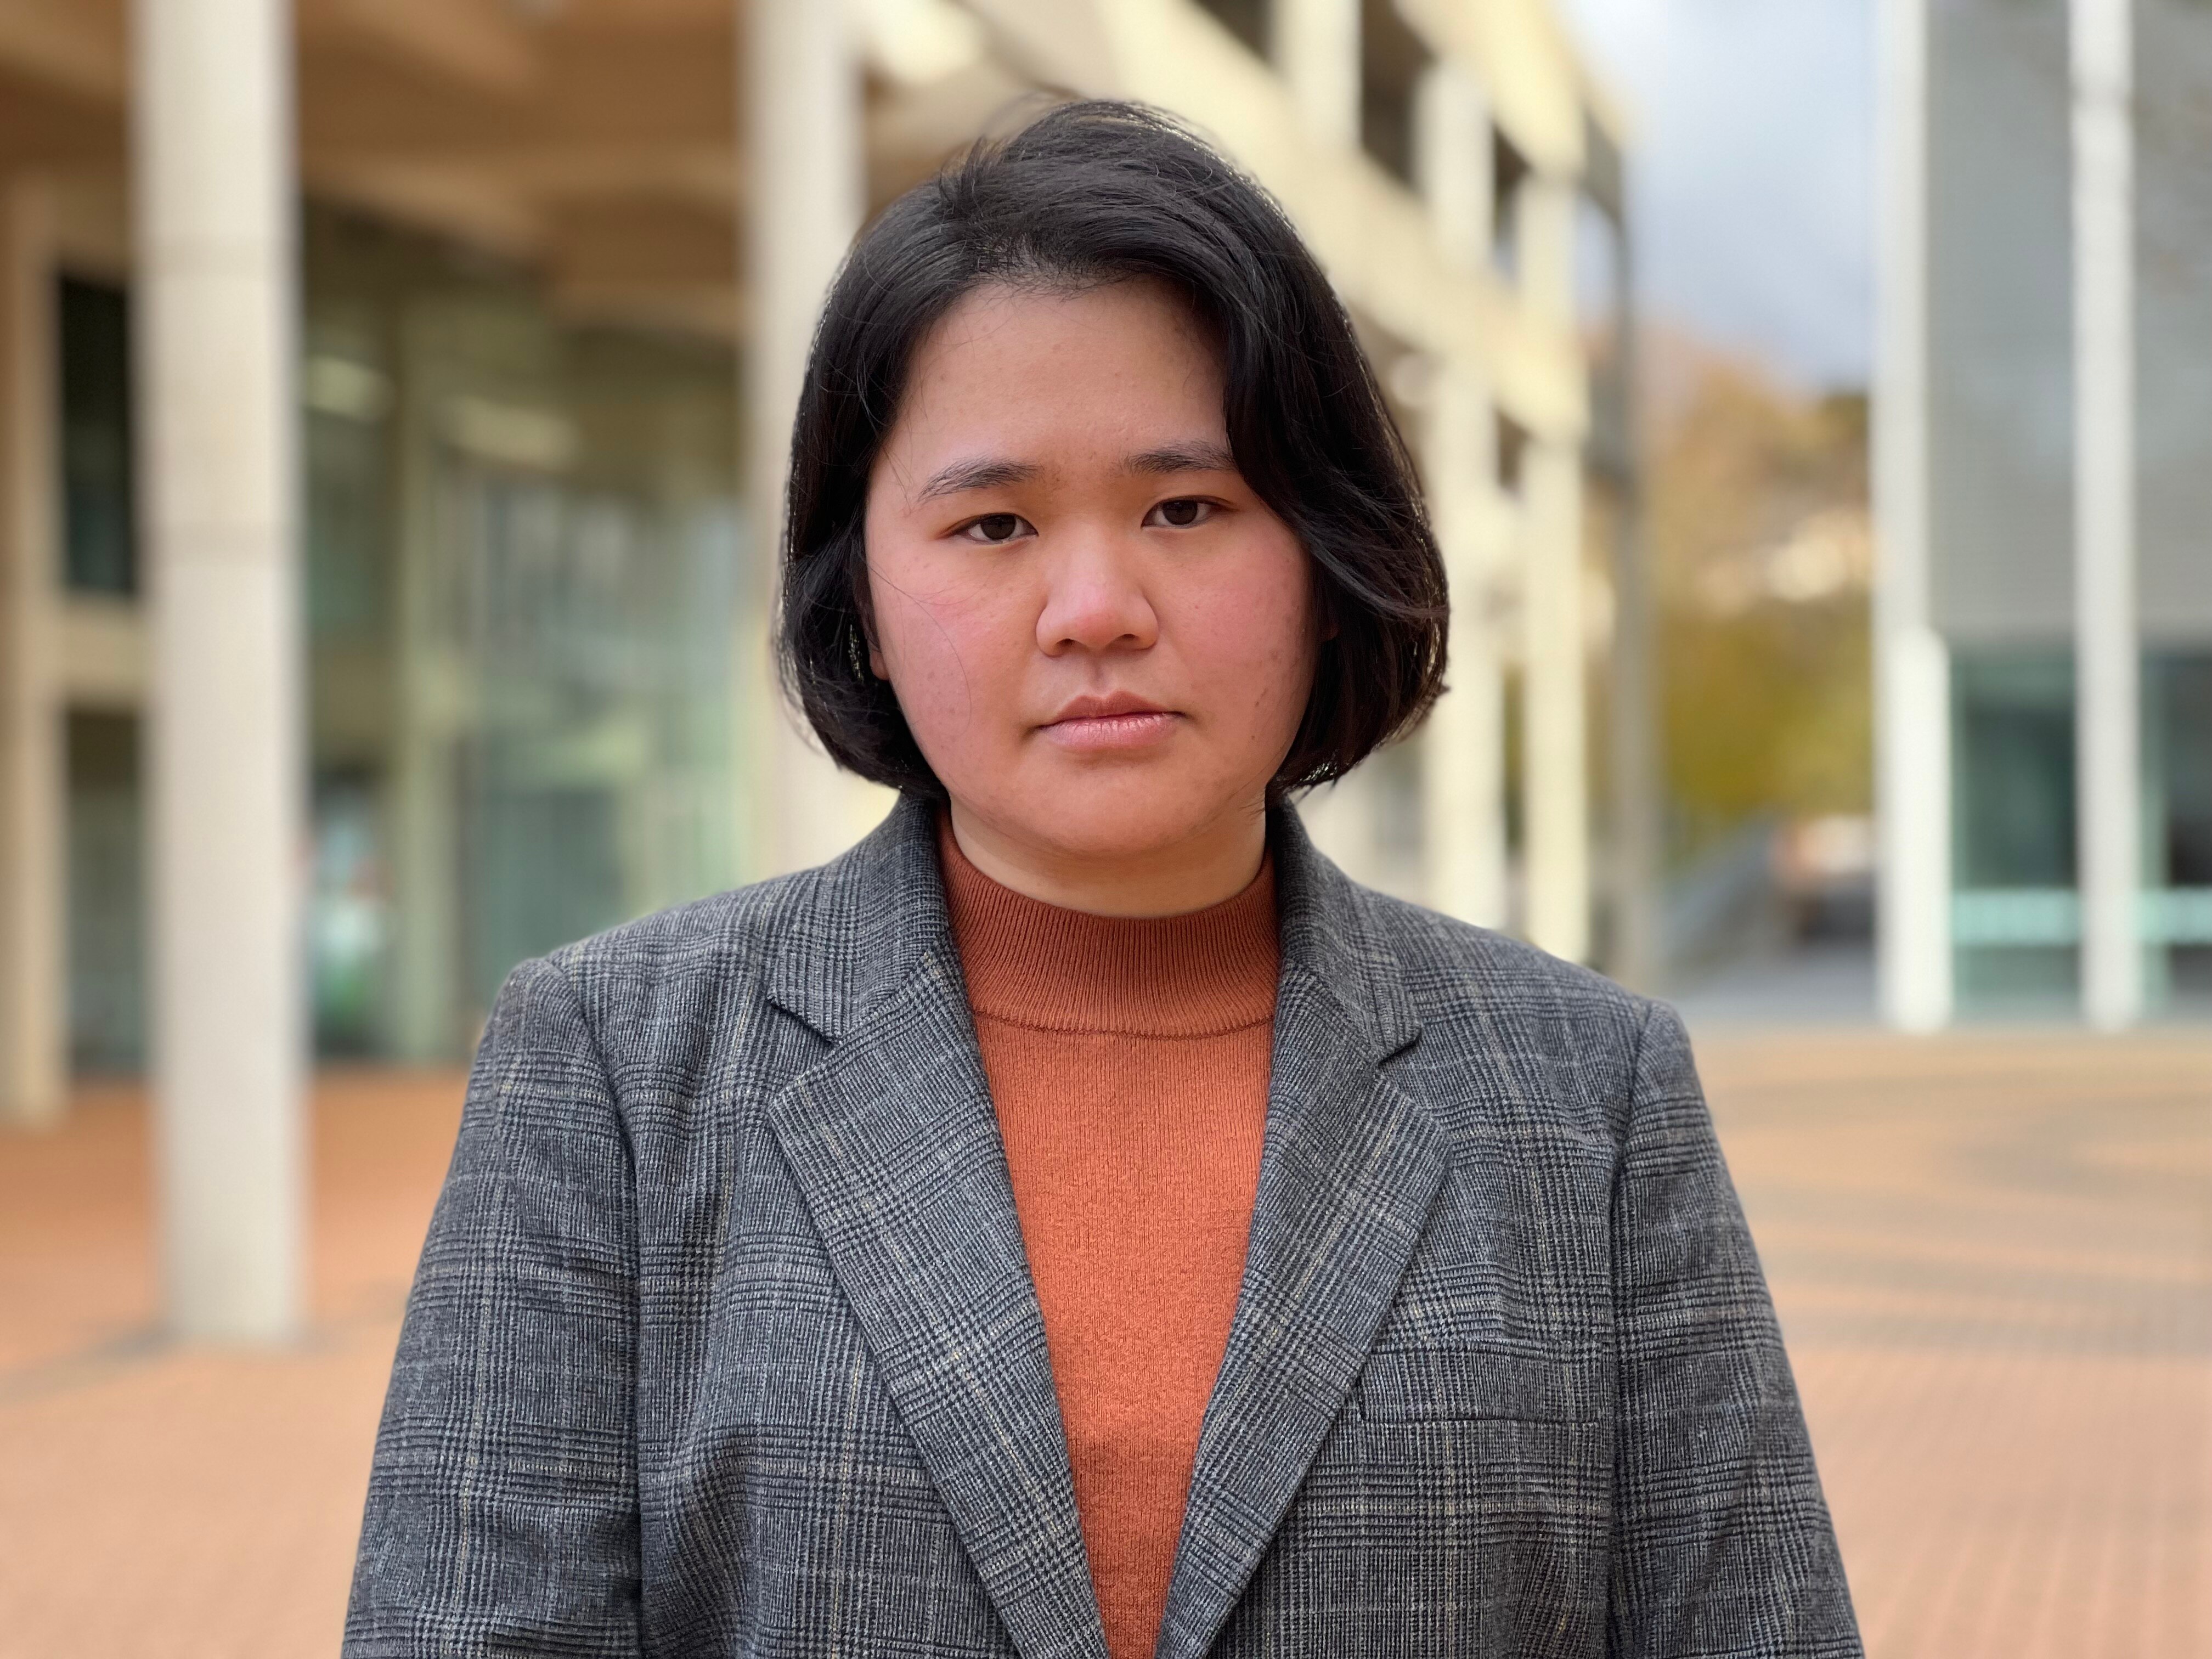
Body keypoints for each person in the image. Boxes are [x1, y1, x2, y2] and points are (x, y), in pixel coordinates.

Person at [344, 101, 1859, 1659]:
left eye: (1185, 510)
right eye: (994, 522)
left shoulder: (1589, 1095)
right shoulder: (615, 1067)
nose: (1094, 608)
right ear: (858, 593)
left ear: (1328, 560)